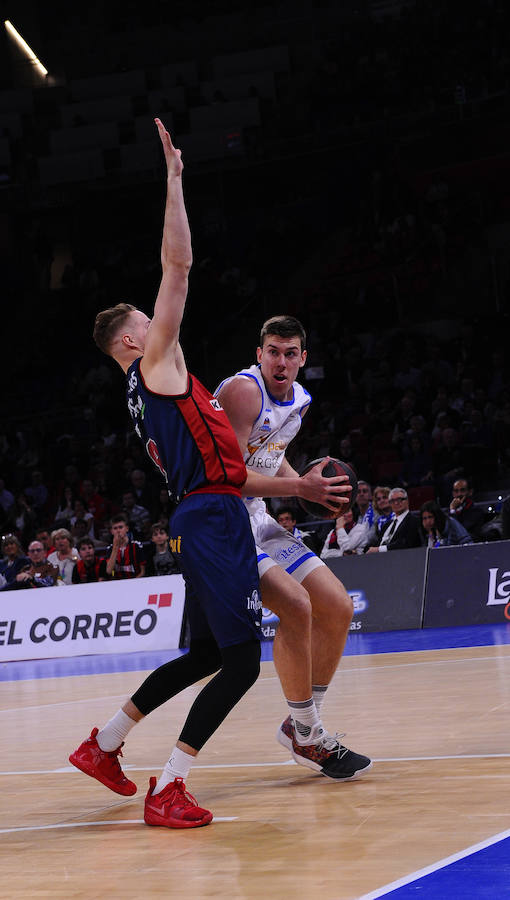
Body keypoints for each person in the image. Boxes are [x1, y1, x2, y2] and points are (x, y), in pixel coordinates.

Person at [69, 121, 346, 828]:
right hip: (214, 517)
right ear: (134, 338)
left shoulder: (143, 388)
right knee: (243, 662)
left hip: (201, 514)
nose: (158, 318)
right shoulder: (156, 365)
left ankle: (102, 744)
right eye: (147, 316)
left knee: (204, 655)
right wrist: (175, 181)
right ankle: (170, 786)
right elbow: (179, 267)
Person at [215, 314, 372, 781]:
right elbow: (229, 475)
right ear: (259, 354)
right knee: (298, 608)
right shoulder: (242, 392)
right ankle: (308, 731)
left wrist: (308, 486)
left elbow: (271, 450)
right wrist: (301, 490)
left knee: (338, 607)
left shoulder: (300, 399)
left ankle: (301, 724)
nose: (281, 361)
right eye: (273, 352)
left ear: (303, 359)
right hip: (224, 520)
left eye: (290, 353)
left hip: (258, 516)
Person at [366, 488, 421, 552]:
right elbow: (378, 543)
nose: (396, 503)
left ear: (407, 501)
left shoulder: (414, 520)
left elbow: (406, 543)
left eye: (399, 499)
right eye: (392, 501)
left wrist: (379, 549)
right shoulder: (386, 525)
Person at [104, 513, 146, 579]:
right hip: (118, 585)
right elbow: (109, 571)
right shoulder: (110, 549)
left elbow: (143, 572)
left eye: (120, 527)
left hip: (136, 583)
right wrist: (115, 547)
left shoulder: (136, 546)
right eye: (115, 528)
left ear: (127, 528)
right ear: (112, 531)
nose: (118, 531)